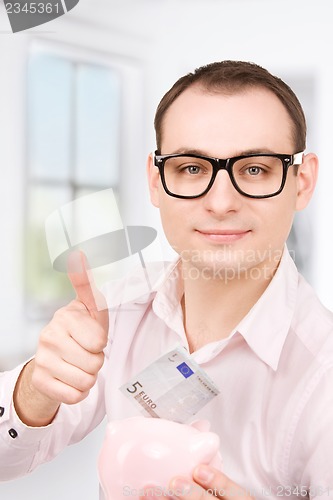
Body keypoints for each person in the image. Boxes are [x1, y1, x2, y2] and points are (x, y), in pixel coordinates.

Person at [0, 60, 332, 500]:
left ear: (302, 182)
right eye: (192, 168)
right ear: (156, 182)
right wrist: (36, 388)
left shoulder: (323, 378)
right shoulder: (114, 315)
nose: (220, 202)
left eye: (255, 169)